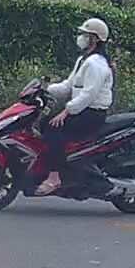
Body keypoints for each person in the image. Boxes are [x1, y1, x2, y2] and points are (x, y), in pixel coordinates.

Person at [36, 18, 115, 196]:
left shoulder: (96, 64)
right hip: (81, 110)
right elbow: (68, 86)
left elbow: (88, 95)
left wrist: (66, 111)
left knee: (53, 129)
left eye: (85, 35)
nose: (81, 37)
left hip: (91, 114)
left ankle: (54, 177)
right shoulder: (83, 60)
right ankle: (59, 164)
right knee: (44, 123)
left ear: (95, 39)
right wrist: (44, 89)